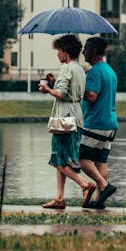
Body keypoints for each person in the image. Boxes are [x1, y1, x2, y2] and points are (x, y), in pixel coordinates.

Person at [39, 34, 96, 209]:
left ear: (65, 51)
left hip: (64, 118)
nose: (57, 55)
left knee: (57, 158)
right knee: (64, 158)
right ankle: (59, 197)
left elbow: (62, 94)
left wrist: (47, 89)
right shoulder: (80, 69)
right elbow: (70, 91)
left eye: (58, 51)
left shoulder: (66, 68)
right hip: (77, 117)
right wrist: (55, 82)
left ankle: (84, 184)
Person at [79, 37, 118, 209]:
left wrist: (77, 90)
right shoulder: (110, 71)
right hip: (110, 124)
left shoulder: (95, 72)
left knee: (80, 157)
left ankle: (103, 185)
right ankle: (98, 200)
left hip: (95, 123)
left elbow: (92, 96)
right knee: (100, 162)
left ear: (94, 51)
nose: (83, 52)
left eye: (86, 48)